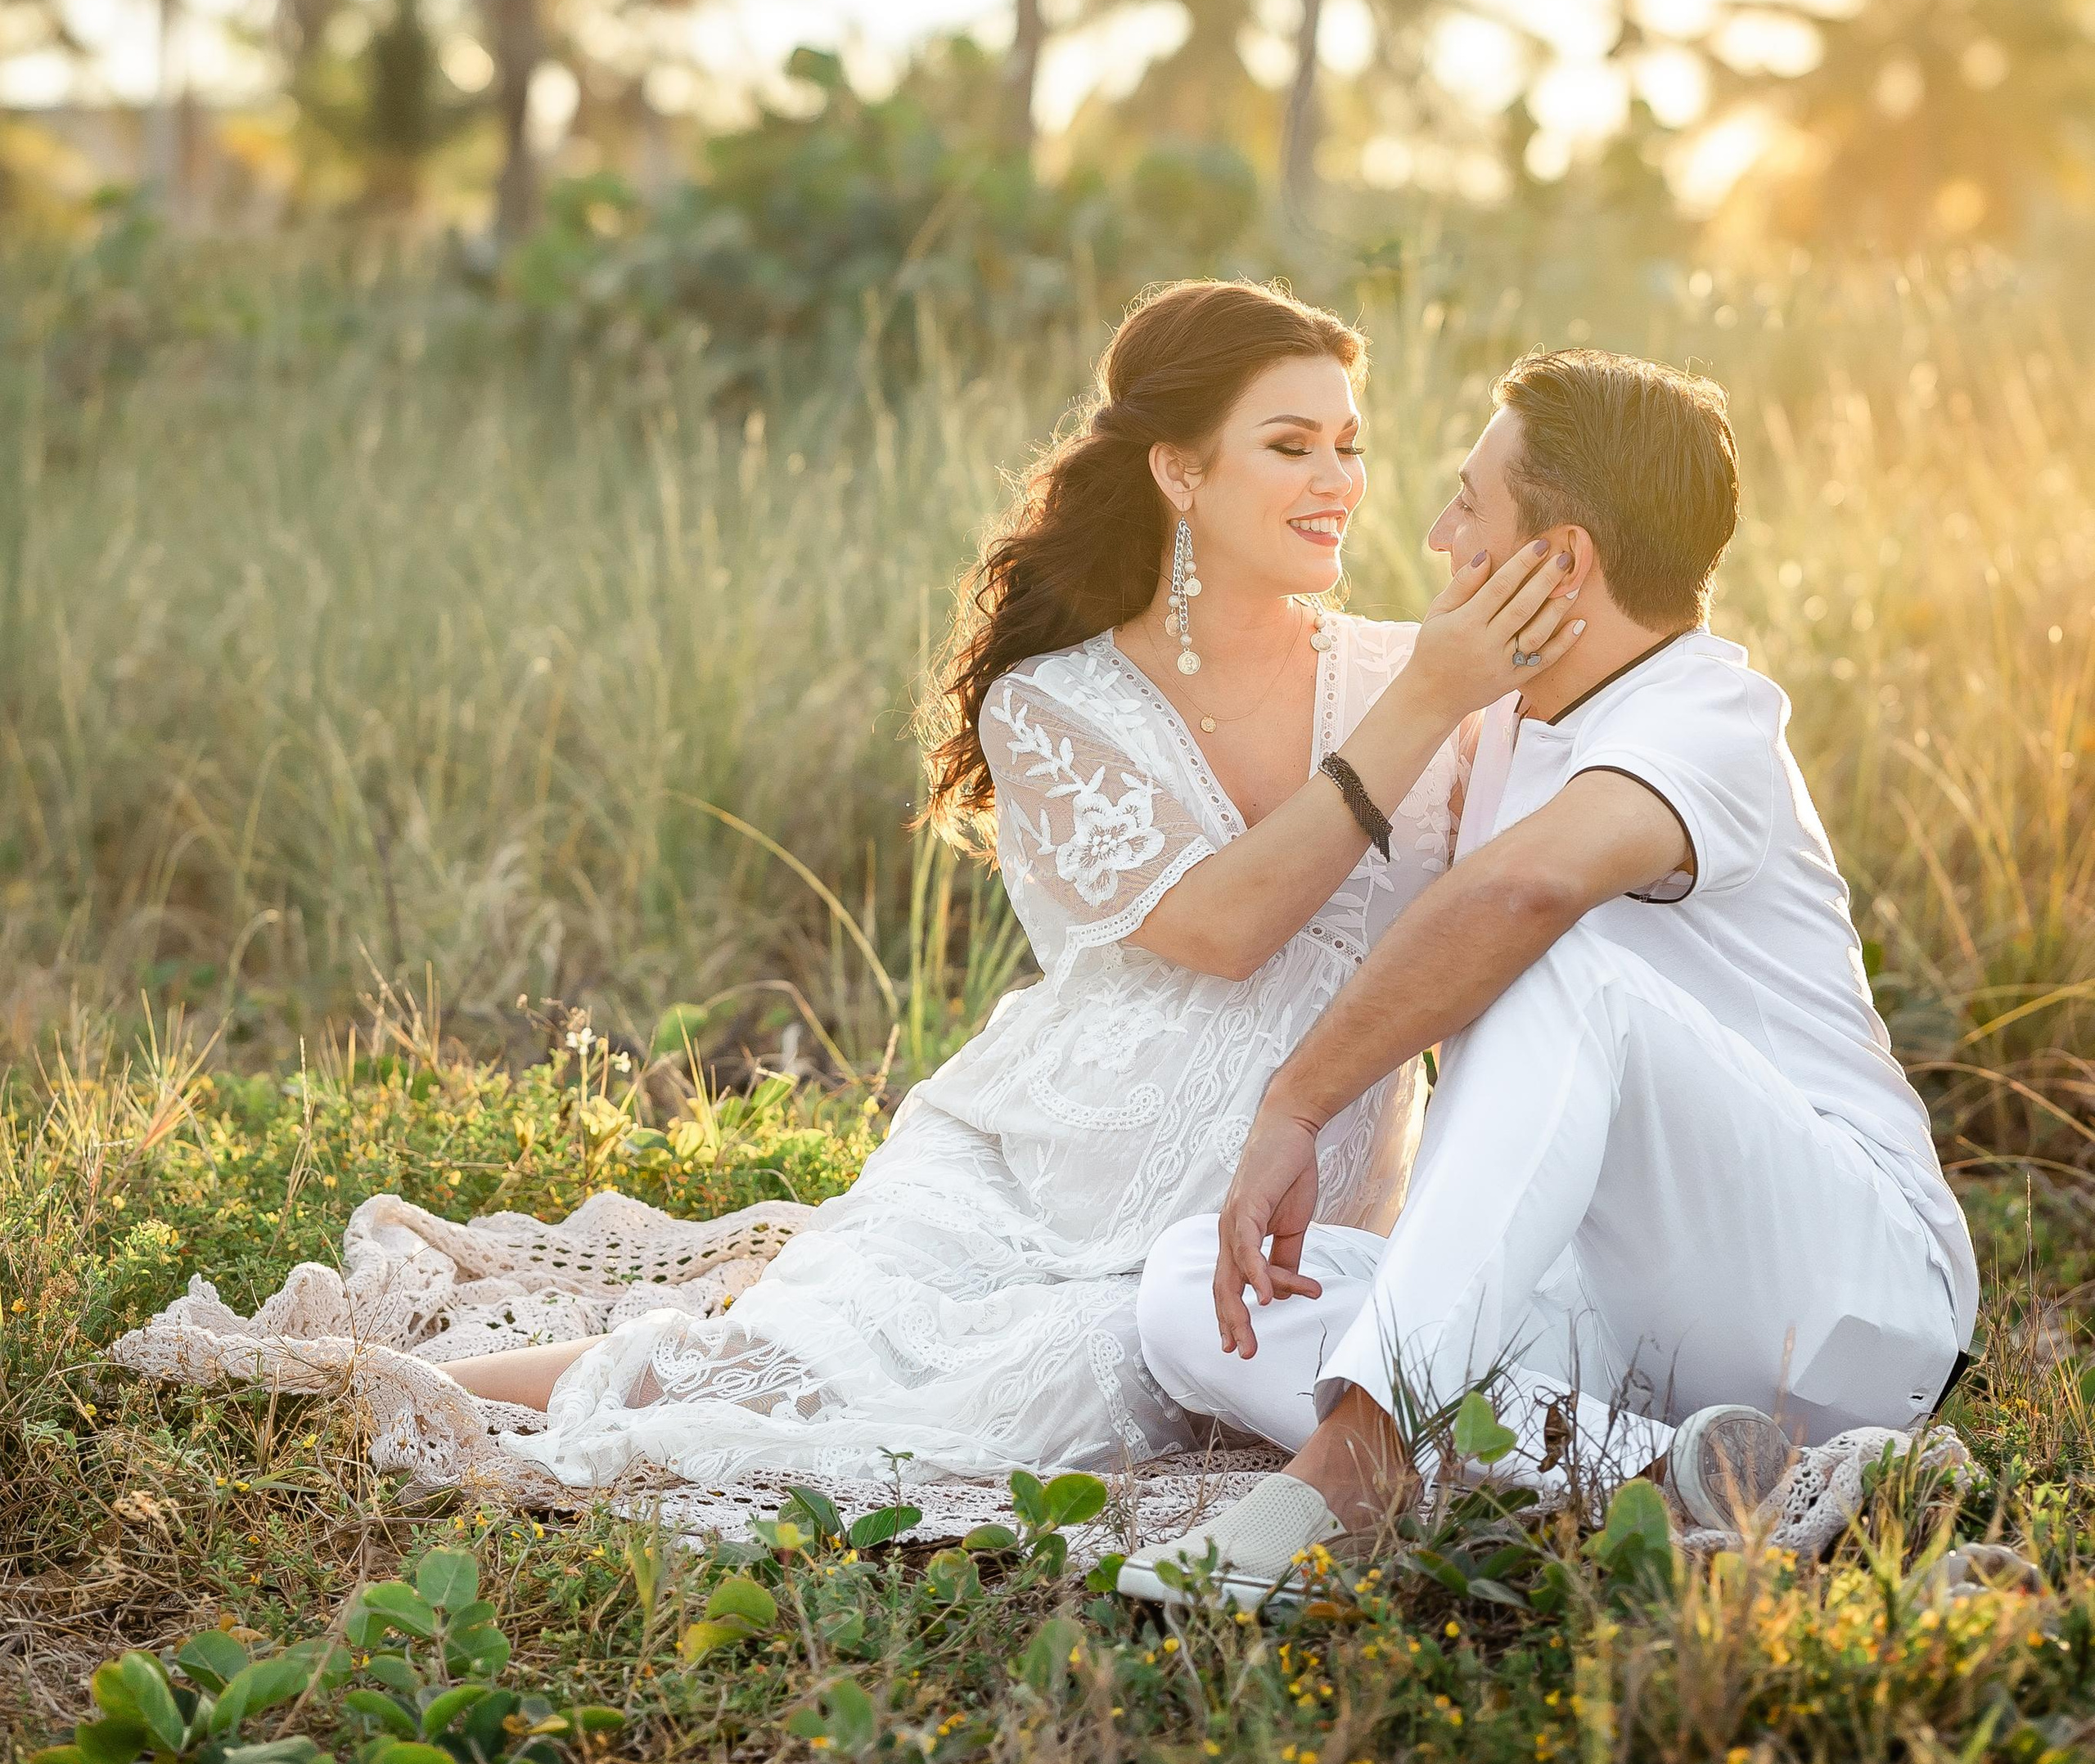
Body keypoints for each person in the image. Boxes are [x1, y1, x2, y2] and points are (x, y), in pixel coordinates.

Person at [123, 281, 1577, 1528]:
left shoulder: (1420, 672)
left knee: (1049, 1395)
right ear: (1180, 473)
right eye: (1290, 444)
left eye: (1350, 444)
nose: (1340, 480)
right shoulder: (1060, 706)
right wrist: (1428, 702)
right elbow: (1222, 927)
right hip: (1052, 1156)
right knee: (805, 1369)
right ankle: (373, 1396)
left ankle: (430, 1390)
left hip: (1262, 1198)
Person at [1126, 348, 1978, 1608]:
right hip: (1631, 1317)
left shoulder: (1707, 719)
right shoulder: (1510, 724)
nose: (1437, 533)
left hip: (1843, 1292)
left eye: (1468, 504)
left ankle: (1362, 1458)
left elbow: (1518, 898)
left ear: (1559, 561)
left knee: (1560, 960)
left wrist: (1297, 1104)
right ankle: (1702, 1477)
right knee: (1192, 1297)